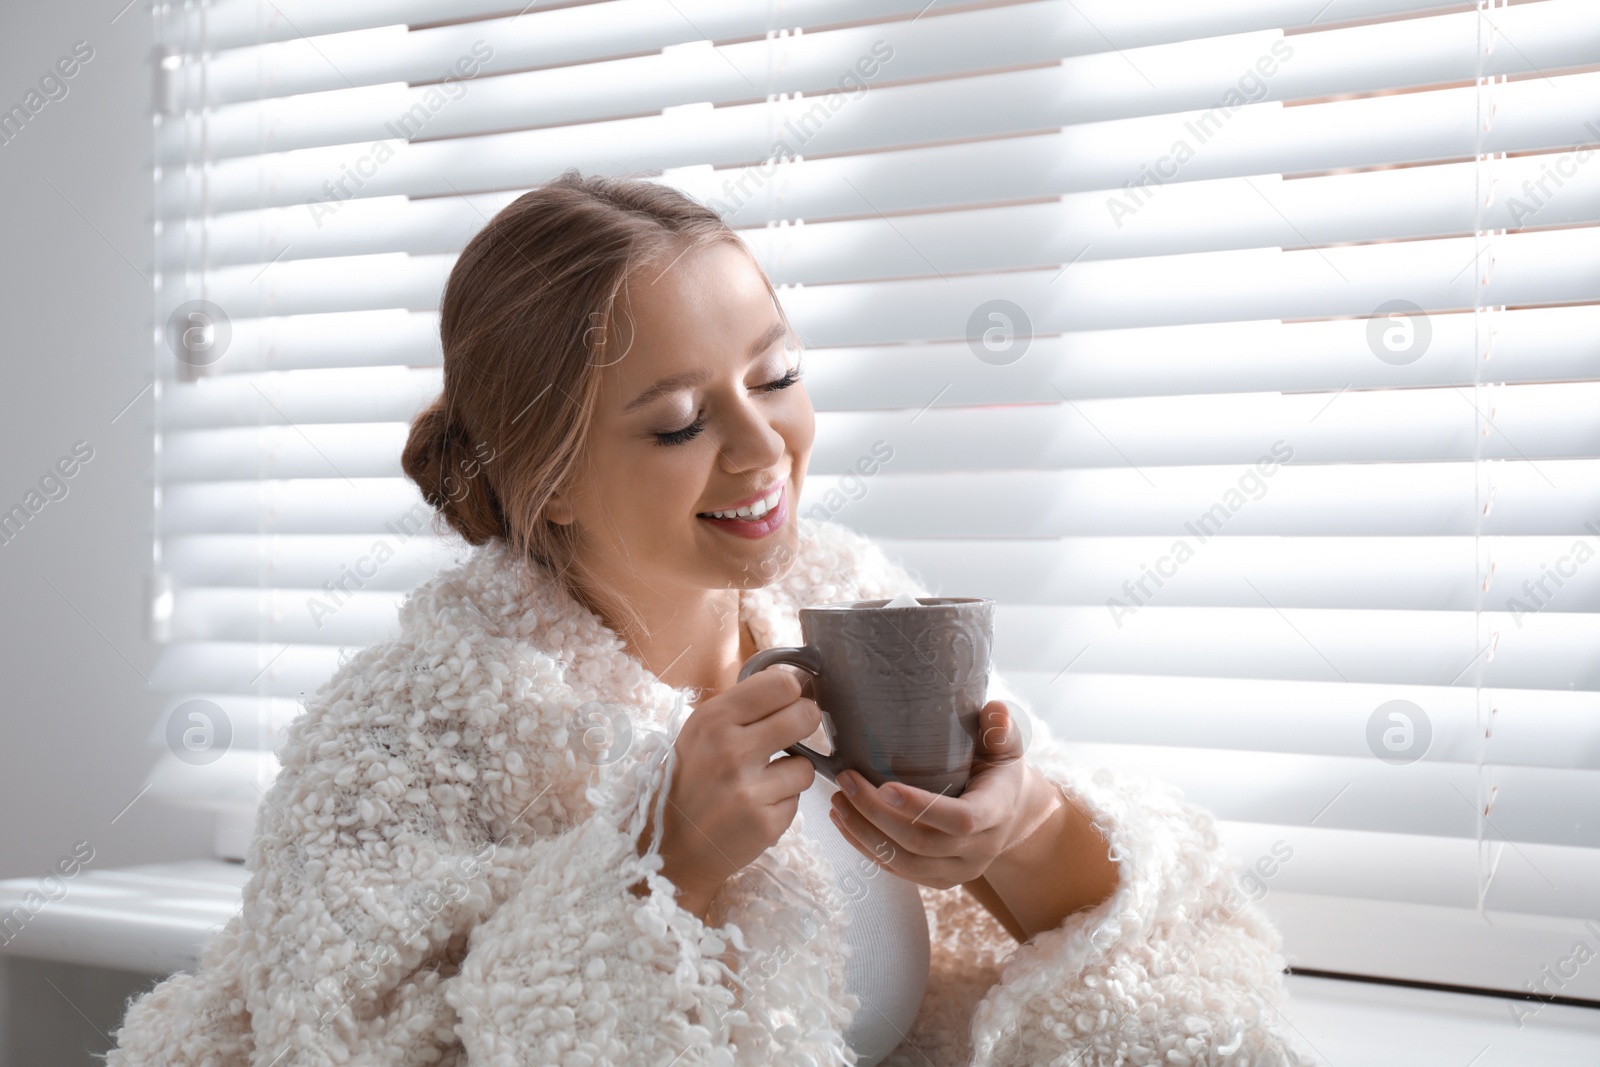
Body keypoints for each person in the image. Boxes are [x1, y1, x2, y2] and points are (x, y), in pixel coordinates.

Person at [108, 169, 1308, 1066]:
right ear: (549, 477)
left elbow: (1152, 955)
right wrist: (655, 859)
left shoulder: (860, 617)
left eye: (777, 376)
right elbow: (360, 1041)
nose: (760, 446)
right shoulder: (394, 739)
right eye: (679, 420)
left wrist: (1020, 824)